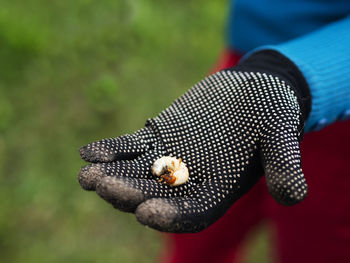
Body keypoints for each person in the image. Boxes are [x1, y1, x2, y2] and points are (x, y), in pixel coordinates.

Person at [78, 1, 350, 262]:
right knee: (196, 233)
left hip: (332, 101)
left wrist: (297, 74)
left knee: (313, 246)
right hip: (247, 69)